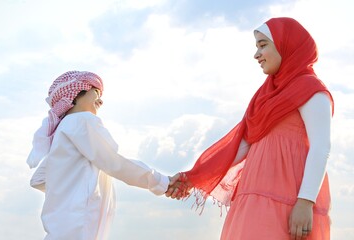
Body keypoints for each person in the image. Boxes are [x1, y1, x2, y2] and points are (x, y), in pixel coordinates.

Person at [166, 17, 334, 240]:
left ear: (287, 45)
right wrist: (192, 178)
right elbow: (241, 146)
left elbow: (321, 147)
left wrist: (305, 201)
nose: (256, 55)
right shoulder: (264, 97)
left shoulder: (312, 91)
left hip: (292, 201)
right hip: (254, 199)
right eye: (257, 46)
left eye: (263, 45)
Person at [27, 71, 176, 240]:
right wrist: (163, 182)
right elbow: (114, 163)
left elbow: (38, 179)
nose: (101, 100)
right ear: (75, 95)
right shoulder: (82, 120)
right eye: (96, 92)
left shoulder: (63, 131)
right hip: (78, 230)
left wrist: (65, 192)